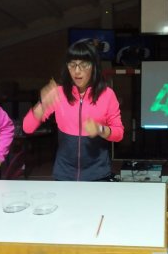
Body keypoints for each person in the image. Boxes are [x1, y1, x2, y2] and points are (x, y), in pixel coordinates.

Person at [23, 40, 124, 181]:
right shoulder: (58, 93)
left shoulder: (107, 94)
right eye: (72, 65)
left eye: (84, 65)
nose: (77, 71)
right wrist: (43, 104)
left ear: (94, 67)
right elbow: (27, 128)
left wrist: (100, 129)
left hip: (98, 174)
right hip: (64, 173)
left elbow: (119, 134)